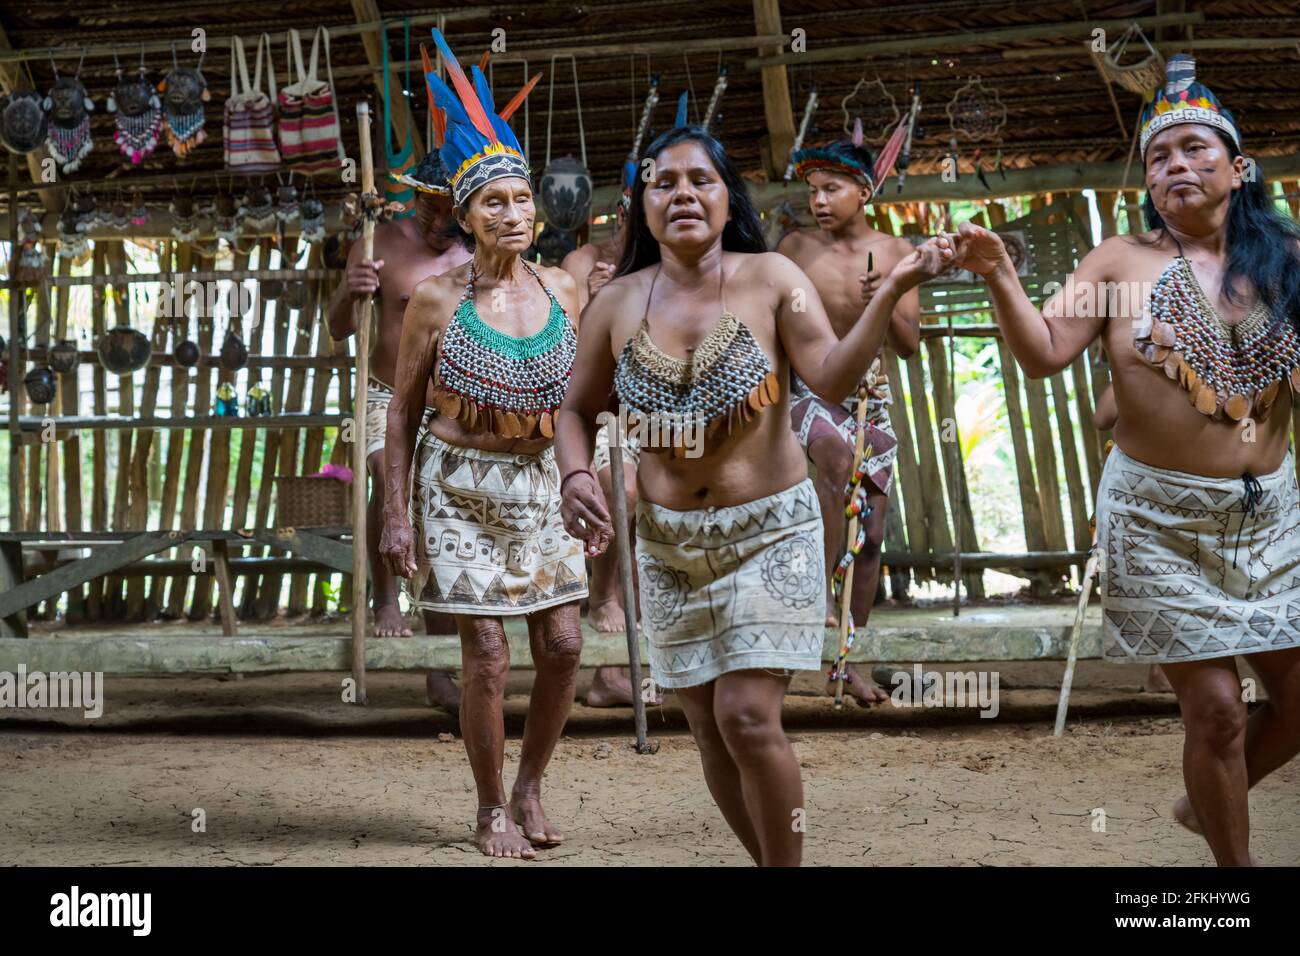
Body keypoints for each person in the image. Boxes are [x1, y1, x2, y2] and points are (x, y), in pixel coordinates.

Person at [555, 122, 951, 865]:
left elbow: (831, 377)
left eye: (700, 180)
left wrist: (894, 286)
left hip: (770, 533)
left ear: (726, 195)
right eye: (662, 182)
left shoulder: (772, 278)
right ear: (641, 204)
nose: (681, 194)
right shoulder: (615, 304)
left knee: (745, 717)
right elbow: (576, 409)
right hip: (670, 548)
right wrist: (577, 474)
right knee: (707, 727)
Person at [945, 55, 1300, 866]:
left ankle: (1211, 796)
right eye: (1159, 156)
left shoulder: (1289, 264)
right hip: (1156, 520)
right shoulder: (1118, 263)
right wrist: (1000, 271)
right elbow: (1041, 353)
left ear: (1239, 168)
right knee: (1212, 710)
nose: (1176, 165)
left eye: (1195, 150)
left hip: (1270, 515)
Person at [380, 32, 585, 860]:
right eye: (493, 202)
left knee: (565, 644)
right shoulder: (434, 299)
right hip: (457, 483)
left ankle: (533, 782)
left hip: (542, 483)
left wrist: (590, 480)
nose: (512, 213)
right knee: (490, 654)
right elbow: (398, 415)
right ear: (465, 215)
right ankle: (491, 805)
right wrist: (397, 515)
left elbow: (587, 397)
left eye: (521, 200)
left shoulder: (566, 288)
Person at [777, 133, 921, 706]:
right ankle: (821, 605)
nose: (818, 200)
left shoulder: (893, 253)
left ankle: (846, 658)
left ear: (864, 191)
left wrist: (885, 296)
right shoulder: (793, 250)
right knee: (835, 459)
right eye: (812, 190)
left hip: (871, 399)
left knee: (874, 536)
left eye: (831, 188)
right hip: (807, 394)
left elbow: (909, 344)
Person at [325, 145, 470, 712]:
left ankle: (438, 666)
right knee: (391, 477)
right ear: (416, 196)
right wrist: (349, 289)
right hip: (383, 394)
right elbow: (338, 327)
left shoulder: (478, 252)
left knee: (441, 513)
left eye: (452, 208)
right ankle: (386, 599)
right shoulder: (378, 243)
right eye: (431, 205)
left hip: (450, 406)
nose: (440, 219)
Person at [559, 173, 649, 707]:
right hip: (578, 413)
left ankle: (613, 674)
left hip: (637, 415)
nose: (623, 224)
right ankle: (602, 595)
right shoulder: (577, 263)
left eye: (634, 216)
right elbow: (564, 349)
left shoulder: (657, 271)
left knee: (641, 506)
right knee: (619, 492)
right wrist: (593, 301)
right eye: (619, 213)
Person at [1092, 383, 1173, 695]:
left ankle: (1167, 672)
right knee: (1165, 580)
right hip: (1147, 491)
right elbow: (1103, 416)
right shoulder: (1147, 359)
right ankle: (1163, 672)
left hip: (1211, 493)